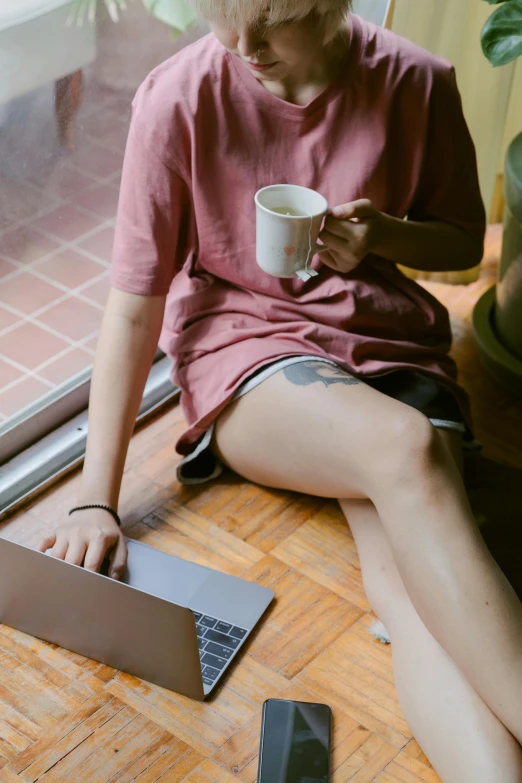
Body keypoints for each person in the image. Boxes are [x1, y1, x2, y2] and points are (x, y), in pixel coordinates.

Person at [36, 0, 522, 778]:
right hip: (248, 351)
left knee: (413, 596)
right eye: (222, 15)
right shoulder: (179, 96)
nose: (241, 45)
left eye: (270, 20)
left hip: (393, 348)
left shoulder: (417, 82)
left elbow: (464, 242)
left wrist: (380, 235)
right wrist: (97, 495)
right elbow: (134, 307)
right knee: (404, 445)